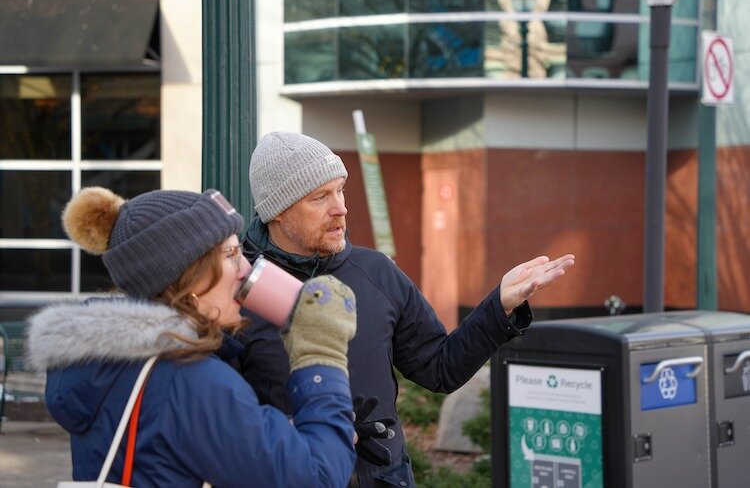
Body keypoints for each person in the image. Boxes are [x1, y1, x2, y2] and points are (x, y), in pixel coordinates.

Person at [236, 131, 576, 487]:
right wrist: (300, 430)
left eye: (340, 190)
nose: (340, 207)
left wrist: (501, 304)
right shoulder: (236, 292)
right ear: (277, 212)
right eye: (319, 197)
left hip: (386, 476)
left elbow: (440, 368)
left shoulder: (377, 272)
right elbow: (224, 424)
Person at [26, 186, 358, 487]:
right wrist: (321, 357)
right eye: (230, 254)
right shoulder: (190, 380)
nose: (247, 269)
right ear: (187, 276)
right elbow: (317, 477)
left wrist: (263, 428)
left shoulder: (108, 364)